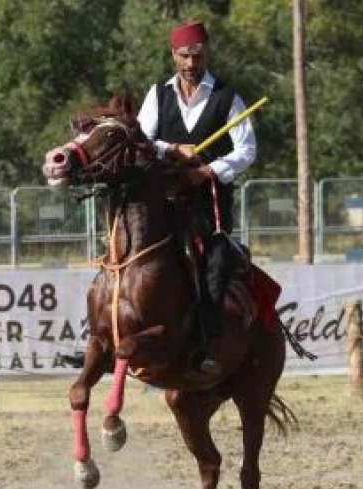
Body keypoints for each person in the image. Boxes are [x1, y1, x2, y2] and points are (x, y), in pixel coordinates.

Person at [137, 19, 257, 374]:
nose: (192, 64)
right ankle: (108, 336)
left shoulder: (228, 97)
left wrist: (205, 172)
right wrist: (174, 149)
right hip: (162, 204)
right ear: (174, 55)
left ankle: (206, 344)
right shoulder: (157, 94)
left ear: (207, 53)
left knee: (216, 266)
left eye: (198, 56)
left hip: (211, 207)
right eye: (185, 56)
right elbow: (142, 141)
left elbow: (247, 150)